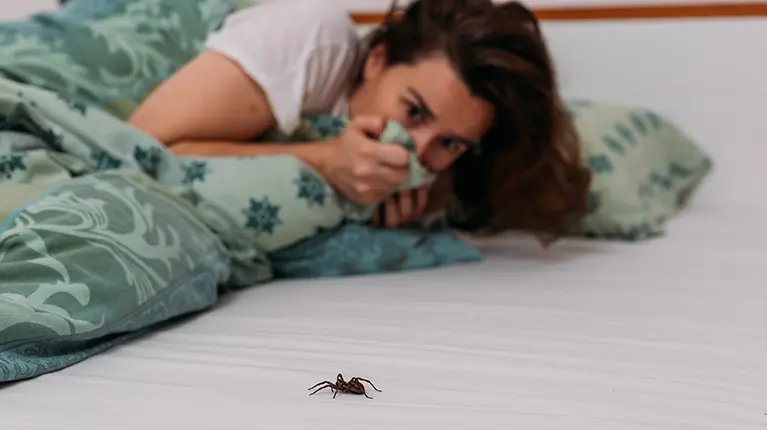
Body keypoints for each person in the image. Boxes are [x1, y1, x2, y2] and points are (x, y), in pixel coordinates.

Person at [128, 0, 591, 243]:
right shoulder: (314, 37)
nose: (419, 152)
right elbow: (137, 149)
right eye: (413, 112)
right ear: (378, 60)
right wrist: (326, 162)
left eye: (449, 143)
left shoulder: (437, 182)